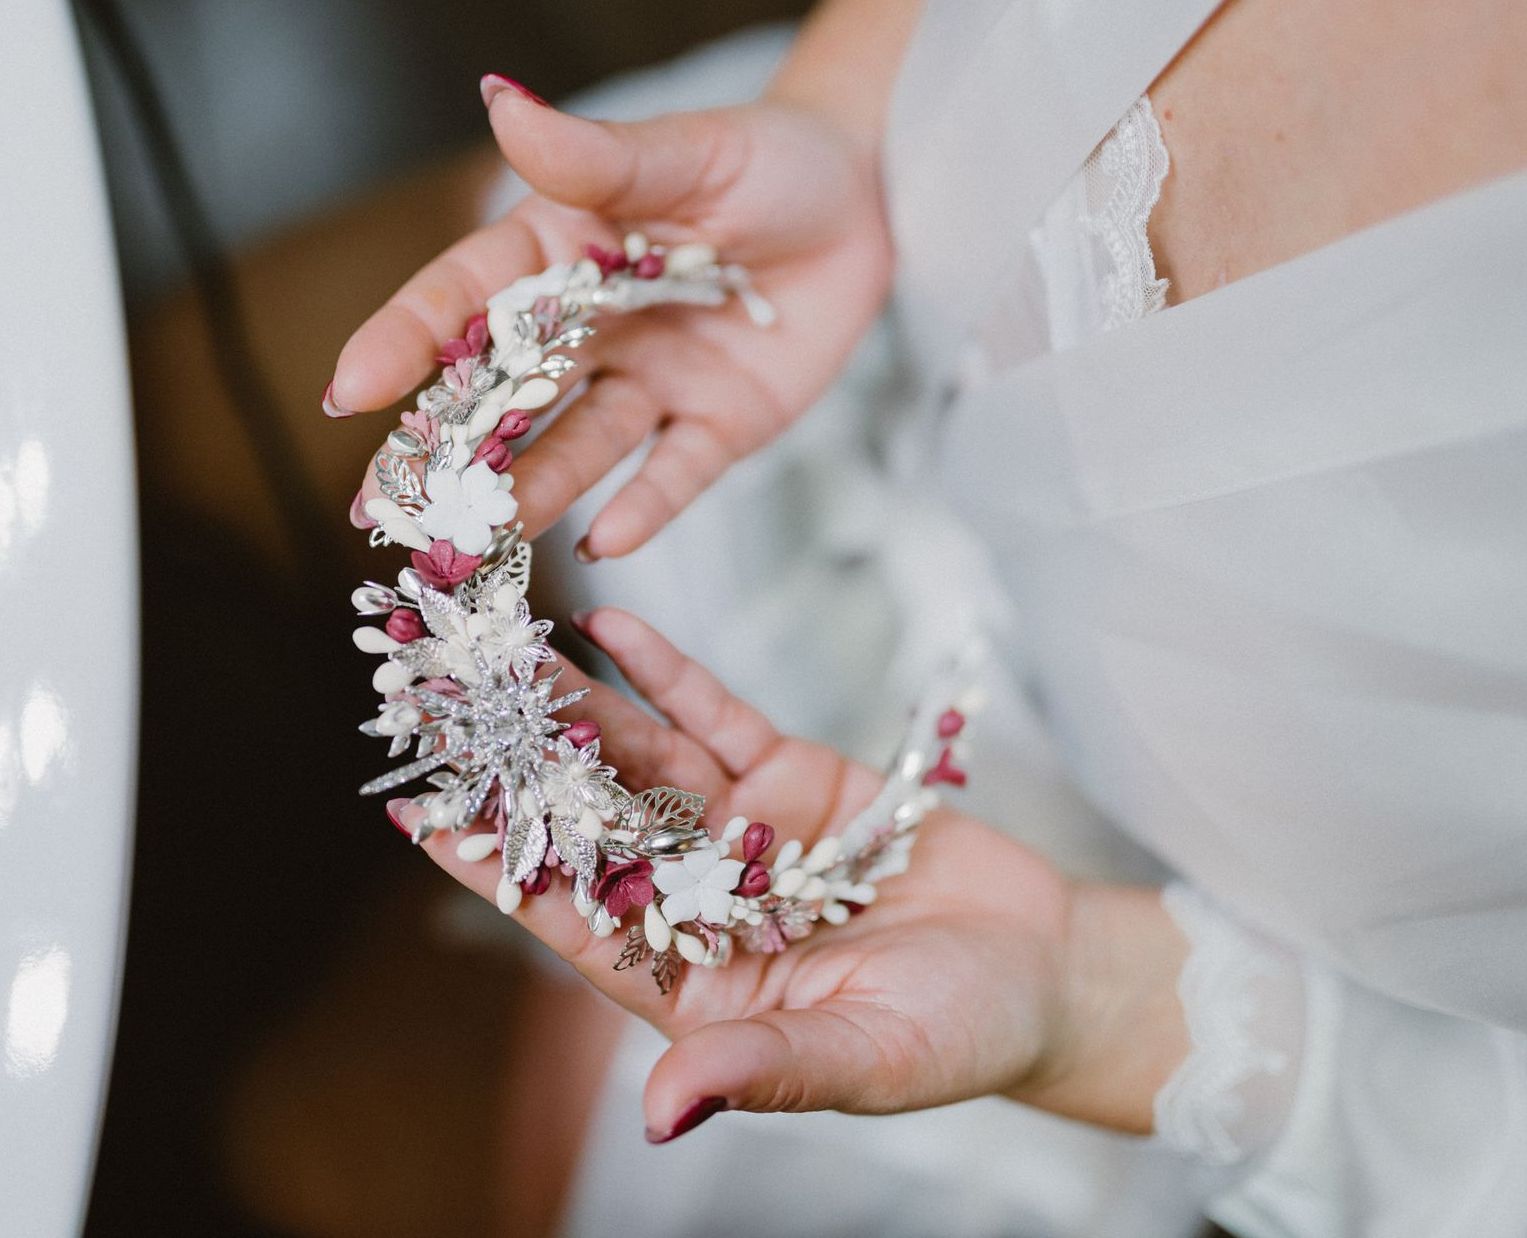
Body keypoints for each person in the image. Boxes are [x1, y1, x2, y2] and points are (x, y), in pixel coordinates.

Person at [326, 1, 1527, 1233]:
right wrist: (836, 111)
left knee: (336, 1137)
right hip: (755, 305)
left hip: (995, 897)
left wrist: (1102, 1002)